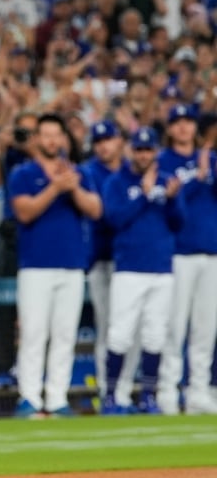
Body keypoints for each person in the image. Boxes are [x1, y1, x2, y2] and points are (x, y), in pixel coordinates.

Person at [7, 113, 101, 418]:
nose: (50, 141)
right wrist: (56, 188)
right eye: (44, 135)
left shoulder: (77, 173)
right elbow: (24, 212)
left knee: (65, 334)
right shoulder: (23, 173)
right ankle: (29, 396)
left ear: (63, 139)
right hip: (36, 265)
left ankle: (58, 396)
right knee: (34, 332)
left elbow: (96, 209)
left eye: (55, 135)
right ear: (36, 139)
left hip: (71, 264)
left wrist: (72, 187)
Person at [103, 127, 183, 415]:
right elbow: (114, 219)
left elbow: (179, 223)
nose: (144, 155)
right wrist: (144, 195)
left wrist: (172, 199)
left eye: (149, 150)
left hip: (161, 268)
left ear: (156, 152)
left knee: (155, 336)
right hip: (129, 268)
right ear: (130, 151)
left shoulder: (167, 180)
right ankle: (111, 395)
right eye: (139, 149)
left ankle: (148, 396)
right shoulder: (117, 182)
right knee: (120, 334)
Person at [158, 105, 217, 415]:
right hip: (179, 253)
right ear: (169, 129)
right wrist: (198, 178)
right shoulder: (163, 162)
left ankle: (199, 390)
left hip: (212, 252)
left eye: (188, 122)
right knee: (175, 327)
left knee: (205, 329)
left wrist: (210, 171)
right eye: (177, 122)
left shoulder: (212, 159)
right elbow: (169, 203)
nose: (183, 128)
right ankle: (168, 391)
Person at [81, 121, 131, 411]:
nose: (103, 145)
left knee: (132, 331)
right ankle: (107, 389)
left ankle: (124, 391)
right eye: (98, 140)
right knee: (108, 329)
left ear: (119, 141)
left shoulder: (131, 170)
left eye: (108, 139)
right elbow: (101, 212)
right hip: (101, 258)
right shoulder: (89, 171)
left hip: (132, 259)